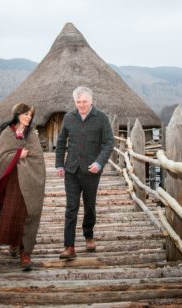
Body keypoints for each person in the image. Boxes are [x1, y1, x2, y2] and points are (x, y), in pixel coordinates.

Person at [0, 103, 46, 271]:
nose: (28, 117)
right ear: (17, 114)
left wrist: (22, 157)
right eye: (25, 114)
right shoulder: (7, 133)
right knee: (12, 212)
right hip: (11, 182)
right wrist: (19, 154)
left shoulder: (31, 135)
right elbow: (0, 157)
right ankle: (14, 243)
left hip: (29, 181)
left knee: (28, 213)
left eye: (30, 115)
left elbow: (38, 158)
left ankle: (25, 252)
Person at [55, 86, 114, 259]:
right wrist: (59, 164)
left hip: (91, 171)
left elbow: (108, 143)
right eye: (78, 102)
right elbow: (60, 143)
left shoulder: (101, 118)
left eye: (84, 102)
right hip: (71, 170)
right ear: (75, 102)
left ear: (91, 101)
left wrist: (99, 162)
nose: (81, 105)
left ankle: (88, 236)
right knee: (71, 208)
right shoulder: (69, 117)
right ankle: (69, 247)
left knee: (89, 207)